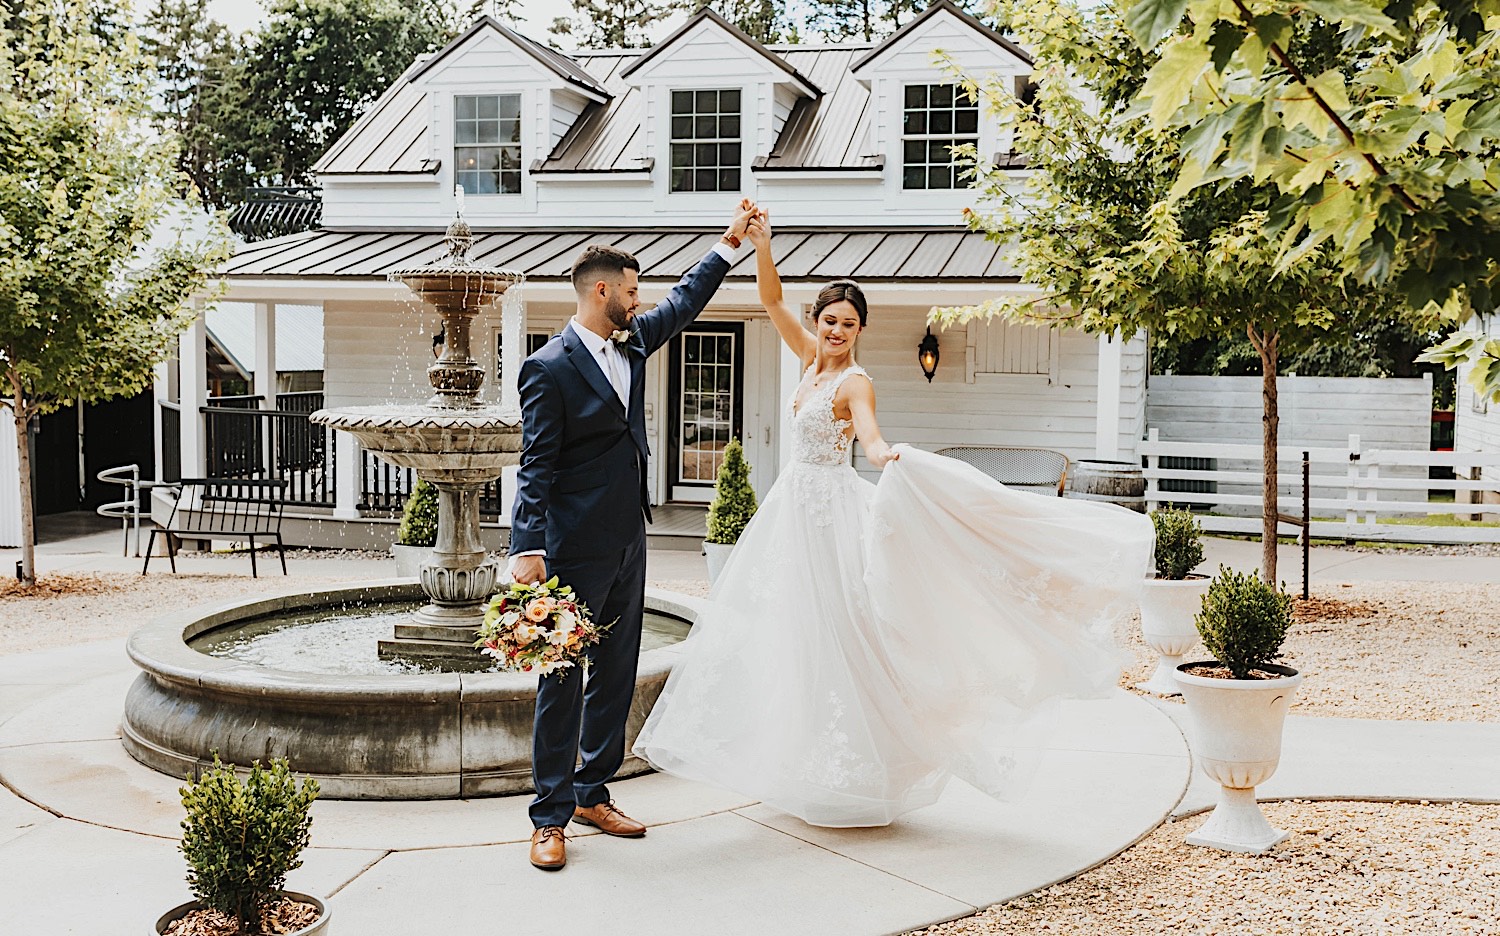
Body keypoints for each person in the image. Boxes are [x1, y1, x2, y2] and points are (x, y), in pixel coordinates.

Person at [632, 209, 1156, 828]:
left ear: (859, 331)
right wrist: (761, 245)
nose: (837, 332)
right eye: (830, 321)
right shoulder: (806, 360)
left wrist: (888, 456)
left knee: (848, 631)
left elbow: (872, 440)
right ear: (818, 322)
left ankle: (865, 765)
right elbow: (771, 299)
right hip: (792, 512)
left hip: (830, 515)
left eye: (849, 325)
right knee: (795, 634)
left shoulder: (857, 383)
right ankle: (802, 762)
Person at [510, 201, 759, 870]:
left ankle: (594, 792)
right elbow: (536, 463)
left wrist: (727, 247)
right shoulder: (548, 368)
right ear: (602, 291)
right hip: (567, 550)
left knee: (615, 675)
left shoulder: (634, 340)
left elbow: (683, 303)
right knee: (560, 681)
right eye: (630, 289)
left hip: (628, 541)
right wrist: (525, 548)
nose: (638, 299)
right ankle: (549, 816)